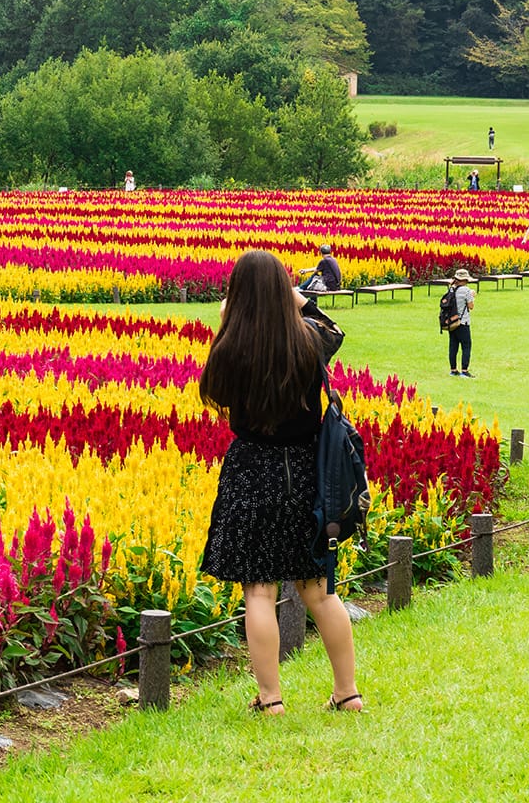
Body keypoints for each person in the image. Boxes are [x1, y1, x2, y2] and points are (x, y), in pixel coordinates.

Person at [198, 250, 362, 715]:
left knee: (259, 591)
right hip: (308, 472)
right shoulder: (308, 342)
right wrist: (301, 301)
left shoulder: (232, 348)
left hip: (253, 470)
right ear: (282, 292)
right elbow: (337, 332)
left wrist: (228, 319)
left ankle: (270, 699)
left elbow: (216, 390)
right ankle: (347, 692)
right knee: (318, 590)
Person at [445, 268, 476, 378]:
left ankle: (453, 370)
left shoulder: (451, 289)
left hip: (452, 323)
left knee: (453, 346)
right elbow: (471, 306)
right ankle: (464, 370)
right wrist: (472, 295)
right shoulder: (466, 291)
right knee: (466, 346)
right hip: (463, 323)